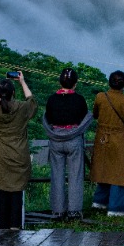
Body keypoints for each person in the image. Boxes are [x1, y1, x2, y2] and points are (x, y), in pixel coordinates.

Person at [0, 71, 37, 230]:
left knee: (2, 192)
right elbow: (32, 101)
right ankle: (16, 228)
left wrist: (1, 96)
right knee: (17, 192)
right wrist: (22, 82)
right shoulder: (22, 108)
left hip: (1, 156)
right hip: (19, 154)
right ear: (13, 93)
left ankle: (2, 228)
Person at [43, 68, 92, 221]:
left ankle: (58, 211)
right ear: (75, 84)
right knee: (75, 175)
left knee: (57, 175)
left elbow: (48, 118)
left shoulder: (52, 99)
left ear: (60, 82)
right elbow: (84, 117)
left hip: (55, 140)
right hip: (74, 140)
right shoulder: (79, 99)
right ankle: (74, 211)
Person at [90, 70, 124, 217]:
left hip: (102, 138)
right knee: (119, 173)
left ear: (109, 82)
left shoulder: (100, 97)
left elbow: (95, 114)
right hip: (120, 139)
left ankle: (99, 201)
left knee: (103, 168)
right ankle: (116, 208)